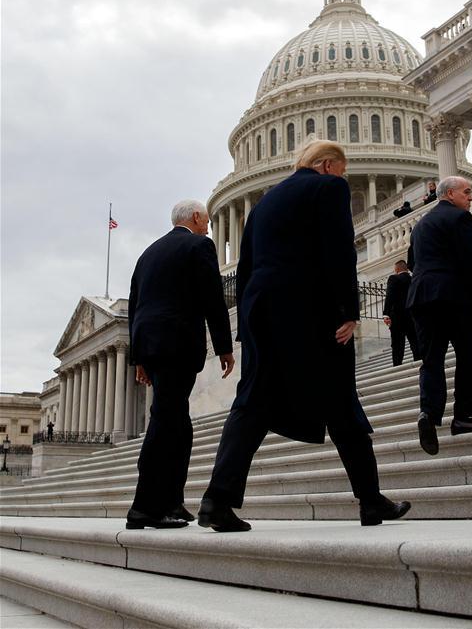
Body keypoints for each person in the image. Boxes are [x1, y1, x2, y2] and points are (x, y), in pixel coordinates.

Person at [199, 141, 410, 531]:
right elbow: (339, 250)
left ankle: (217, 500)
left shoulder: (264, 203)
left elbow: (245, 267)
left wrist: (248, 324)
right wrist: (349, 310)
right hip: (310, 311)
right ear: (327, 165)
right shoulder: (328, 187)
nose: (343, 177)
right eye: (342, 171)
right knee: (342, 402)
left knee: (253, 402)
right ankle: (370, 499)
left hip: (261, 311)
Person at [126, 200, 234, 530]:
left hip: (152, 344)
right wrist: (224, 347)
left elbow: (135, 306)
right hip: (177, 344)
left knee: (178, 422)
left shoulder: (148, 253)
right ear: (196, 217)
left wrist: (139, 357)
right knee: (165, 420)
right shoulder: (199, 245)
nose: (209, 228)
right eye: (207, 221)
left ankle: (173, 500)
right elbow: (212, 298)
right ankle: (144, 507)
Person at [407, 176, 472, 455]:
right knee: (466, 355)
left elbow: (412, 262)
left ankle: (428, 414)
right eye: (466, 192)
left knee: (431, 360)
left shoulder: (420, 224)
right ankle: (462, 416)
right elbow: (468, 258)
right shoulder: (459, 217)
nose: (471, 197)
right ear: (449, 194)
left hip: (421, 297)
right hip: (452, 295)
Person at [383, 260, 420, 366]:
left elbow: (390, 296)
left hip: (397, 316)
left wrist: (386, 314)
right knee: (415, 341)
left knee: (397, 344)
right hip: (412, 315)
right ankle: (418, 361)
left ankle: (397, 364)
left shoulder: (393, 278)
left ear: (396, 269)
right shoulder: (414, 279)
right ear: (406, 269)